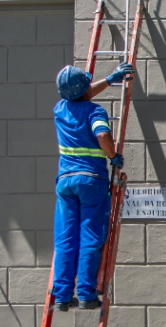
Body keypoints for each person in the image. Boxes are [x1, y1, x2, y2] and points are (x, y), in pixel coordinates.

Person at [52, 63, 134, 311]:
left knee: (66, 239)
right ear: (85, 88)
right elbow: (102, 136)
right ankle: (87, 294)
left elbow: (81, 95)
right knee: (90, 237)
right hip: (91, 182)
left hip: (66, 182)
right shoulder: (95, 112)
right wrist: (113, 156)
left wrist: (109, 80)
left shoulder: (60, 109)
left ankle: (62, 297)